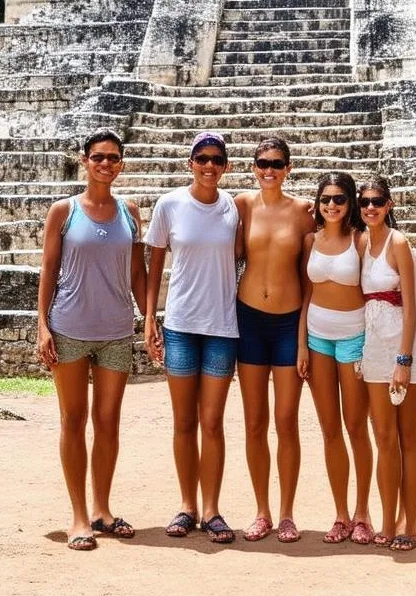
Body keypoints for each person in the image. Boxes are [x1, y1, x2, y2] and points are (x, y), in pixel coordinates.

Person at [36, 129, 145, 551]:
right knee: (72, 419)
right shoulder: (63, 211)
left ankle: (102, 509)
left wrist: (149, 318)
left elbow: (138, 272)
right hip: (69, 328)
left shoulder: (130, 212)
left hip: (116, 329)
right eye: (98, 156)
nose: (105, 163)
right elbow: (48, 270)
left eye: (113, 158)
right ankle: (78, 515)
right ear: (84, 160)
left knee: (108, 422)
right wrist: (43, 326)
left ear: (121, 164)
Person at [143, 131, 242, 545]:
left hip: (222, 325)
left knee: (212, 422)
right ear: (190, 162)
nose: (209, 165)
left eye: (216, 158)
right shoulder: (169, 205)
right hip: (181, 323)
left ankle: (212, 508)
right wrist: (149, 315)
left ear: (225, 166)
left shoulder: (233, 209)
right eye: (202, 157)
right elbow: (155, 263)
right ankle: (187, 505)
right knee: (184, 421)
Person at [234, 137, 315, 544]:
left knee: (286, 421)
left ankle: (286, 513)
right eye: (262, 162)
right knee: (254, 422)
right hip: (248, 321)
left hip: (287, 325)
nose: (269, 169)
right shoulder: (241, 205)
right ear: (253, 166)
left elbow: (312, 274)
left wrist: (302, 339)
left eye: (277, 163)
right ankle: (261, 510)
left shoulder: (303, 212)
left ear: (288, 167)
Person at [297, 171, 375, 545]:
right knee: (330, 430)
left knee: (356, 427)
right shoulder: (309, 240)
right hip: (316, 339)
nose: (331, 205)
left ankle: (363, 513)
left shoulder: (360, 240)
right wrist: (301, 346)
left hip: (353, 338)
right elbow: (305, 294)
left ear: (350, 205)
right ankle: (341, 513)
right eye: (325, 199)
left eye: (339, 199)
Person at [358, 175, 416, 551]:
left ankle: (411, 523)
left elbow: (413, 306)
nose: (370, 207)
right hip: (374, 345)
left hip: (407, 346)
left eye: (376, 201)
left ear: (389, 205)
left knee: (408, 436)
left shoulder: (398, 243)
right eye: (364, 202)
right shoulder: (361, 243)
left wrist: (404, 360)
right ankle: (388, 520)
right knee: (383, 437)